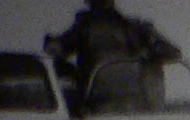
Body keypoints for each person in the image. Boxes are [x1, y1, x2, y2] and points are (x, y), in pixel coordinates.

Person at [49, 0, 177, 102]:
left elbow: (55, 50)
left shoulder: (83, 29)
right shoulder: (135, 27)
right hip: (135, 99)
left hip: (97, 101)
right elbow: (171, 52)